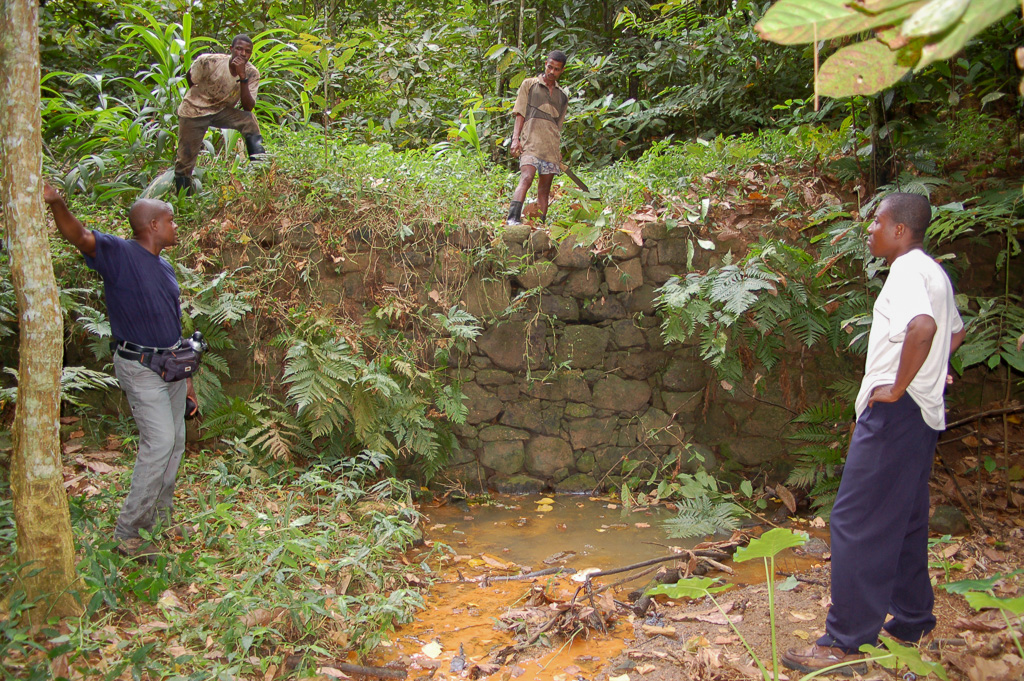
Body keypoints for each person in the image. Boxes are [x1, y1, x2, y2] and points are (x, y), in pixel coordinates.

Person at [782, 193, 966, 676]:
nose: (870, 230)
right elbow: (954, 333)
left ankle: (844, 643)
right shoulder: (934, 272)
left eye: (877, 222)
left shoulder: (906, 272)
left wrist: (901, 383)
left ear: (900, 230)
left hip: (896, 415)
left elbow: (923, 327)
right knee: (904, 518)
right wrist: (934, 370)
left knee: (854, 522)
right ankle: (911, 619)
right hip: (922, 417)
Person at [44, 184, 198, 560]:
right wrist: (56, 203)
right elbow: (79, 236)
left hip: (172, 365)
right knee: (159, 442)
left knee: (176, 441)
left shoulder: (164, 266)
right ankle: (130, 531)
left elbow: (171, 324)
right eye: (171, 221)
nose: (176, 227)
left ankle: (161, 517)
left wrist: (188, 379)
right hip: (140, 366)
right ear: (153, 225)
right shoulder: (119, 253)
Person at [173, 35, 265, 194]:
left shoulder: (251, 73)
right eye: (239, 49)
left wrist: (242, 78)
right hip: (193, 111)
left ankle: (261, 169)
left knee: (248, 121)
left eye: (247, 52)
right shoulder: (209, 62)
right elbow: (190, 77)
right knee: (185, 161)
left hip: (221, 110)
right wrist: (200, 97)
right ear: (231, 50)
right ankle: (185, 201)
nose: (242, 54)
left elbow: (248, 106)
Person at [506, 50, 569, 225]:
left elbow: (557, 126)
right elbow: (520, 113)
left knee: (544, 189)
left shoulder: (562, 96)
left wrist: (557, 152)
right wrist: (515, 139)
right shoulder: (529, 85)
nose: (551, 72)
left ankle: (540, 225)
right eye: (550, 67)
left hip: (549, 149)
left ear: (561, 71)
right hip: (531, 144)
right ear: (545, 64)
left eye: (556, 69)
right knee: (526, 178)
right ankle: (512, 219)